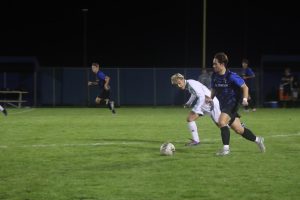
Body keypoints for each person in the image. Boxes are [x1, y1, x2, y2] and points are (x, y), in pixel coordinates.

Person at [206, 52, 265, 156]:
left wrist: (245, 99)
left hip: (232, 103)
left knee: (221, 122)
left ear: (222, 64)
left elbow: (245, 87)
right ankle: (258, 140)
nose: (213, 66)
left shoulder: (231, 76)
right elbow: (214, 89)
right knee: (238, 129)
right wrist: (211, 98)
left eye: (215, 64)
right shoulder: (214, 76)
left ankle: (226, 149)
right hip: (224, 105)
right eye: (213, 64)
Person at [171, 73, 221, 146]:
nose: (179, 86)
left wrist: (197, 109)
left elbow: (201, 96)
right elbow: (194, 93)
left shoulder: (191, 84)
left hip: (207, 100)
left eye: (179, 83)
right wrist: (189, 103)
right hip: (211, 101)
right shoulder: (189, 83)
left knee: (190, 118)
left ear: (182, 79)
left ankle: (196, 141)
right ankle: (233, 122)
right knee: (220, 124)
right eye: (176, 85)